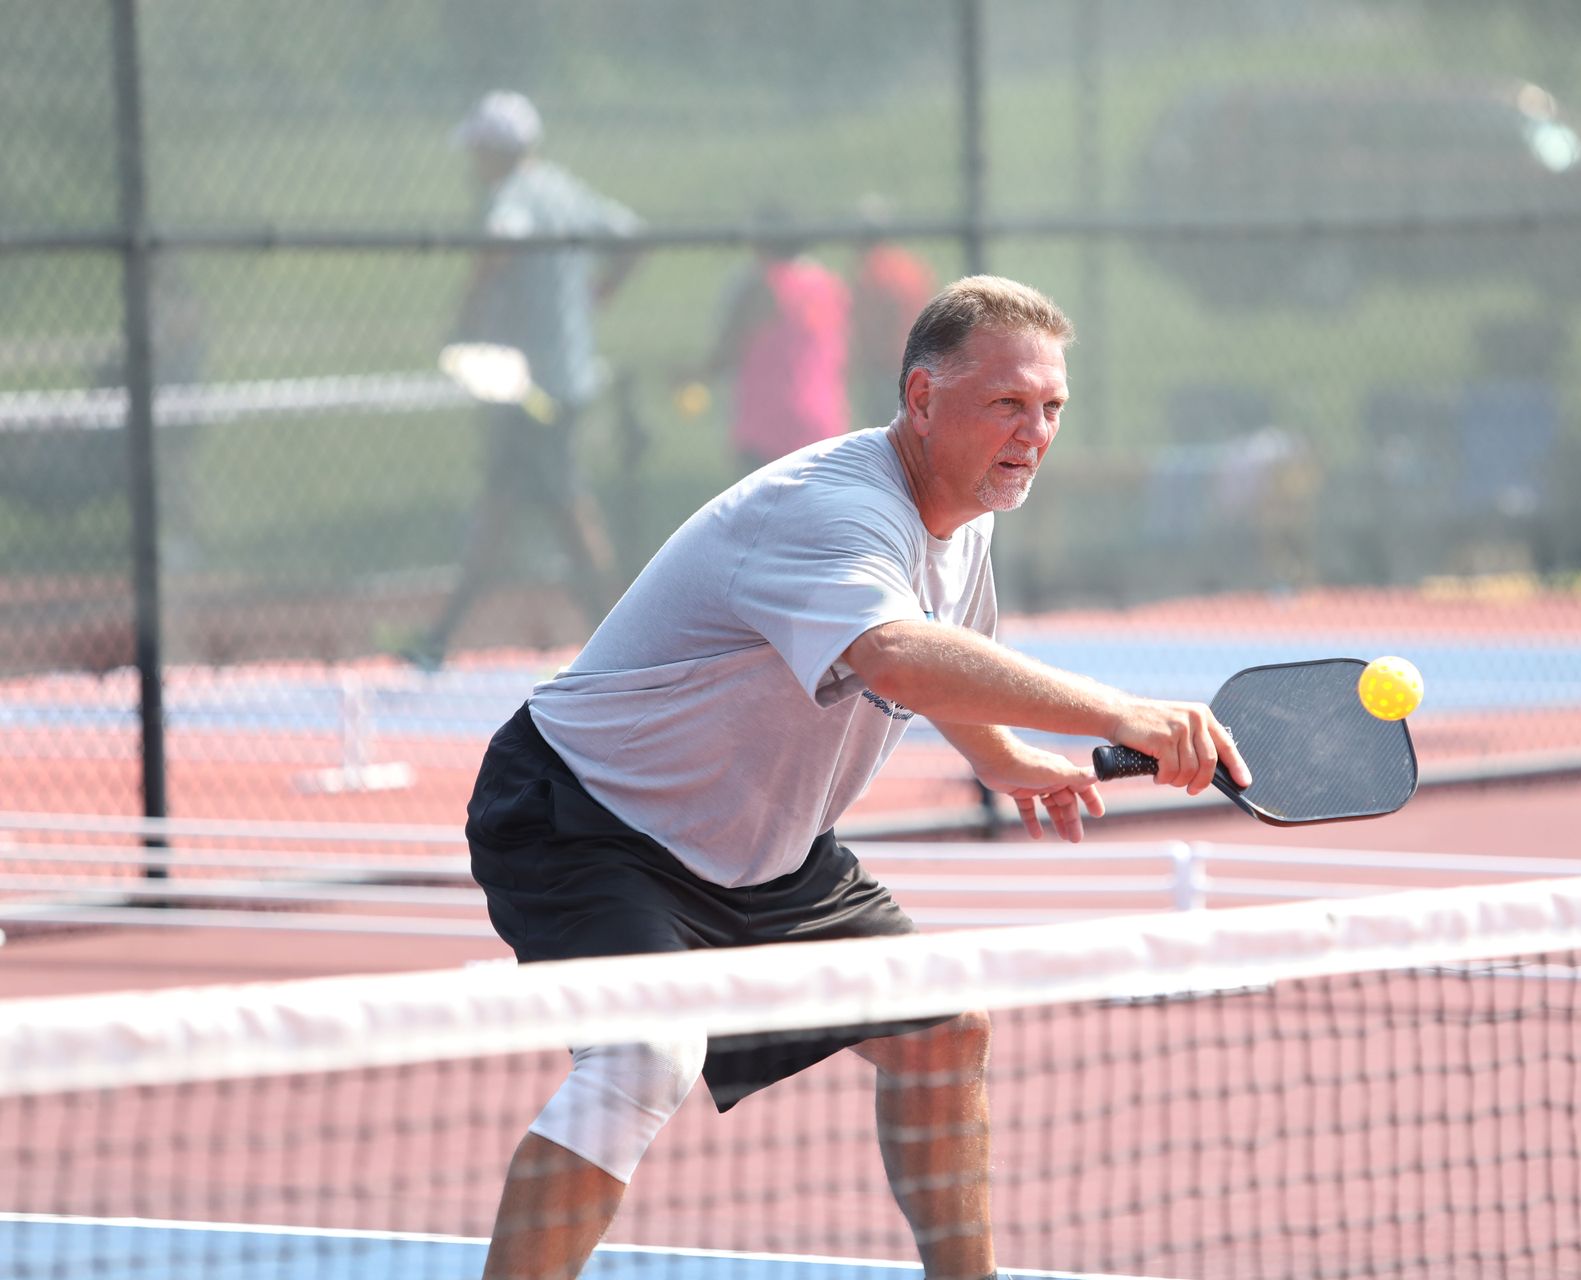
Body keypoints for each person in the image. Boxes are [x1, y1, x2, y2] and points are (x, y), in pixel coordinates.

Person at [465, 275, 1251, 1280]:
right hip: (587, 814)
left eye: (1052, 406)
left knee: (940, 1029)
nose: (1035, 431)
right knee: (645, 1054)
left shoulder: (968, 512)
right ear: (922, 399)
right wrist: (1120, 712)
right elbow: (894, 655)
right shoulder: (834, 511)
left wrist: (1002, 755)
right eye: (1008, 403)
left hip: (763, 850)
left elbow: (945, 650)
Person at [414, 90, 642, 669]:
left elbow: (502, 241)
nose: (474, 163)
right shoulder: (563, 188)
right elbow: (628, 233)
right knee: (502, 505)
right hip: (559, 377)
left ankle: (629, 640)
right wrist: (603, 291)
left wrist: (466, 317)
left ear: (496, 151)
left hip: (533, 386)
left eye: (480, 151)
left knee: (566, 509)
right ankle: (440, 637)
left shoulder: (514, 196)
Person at [686, 212, 851, 474]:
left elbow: (726, 351)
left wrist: (691, 375)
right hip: (823, 419)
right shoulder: (828, 285)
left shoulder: (761, 286)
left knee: (765, 510)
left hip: (768, 426)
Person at [850, 195, 937, 429]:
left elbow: (866, 328)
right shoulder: (911, 266)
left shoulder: (868, 270)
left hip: (884, 369)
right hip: (920, 363)